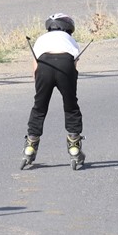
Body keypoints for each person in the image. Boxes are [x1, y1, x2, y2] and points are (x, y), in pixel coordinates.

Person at [22, 14, 85, 170]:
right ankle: (74, 147)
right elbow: (74, 65)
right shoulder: (70, 40)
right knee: (71, 106)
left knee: (39, 107)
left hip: (43, 65)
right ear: (68, 27)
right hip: (66, 65)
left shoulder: (41, 39)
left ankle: (30, 147)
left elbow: (35, 69)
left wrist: (40, 89)